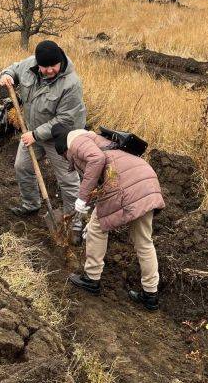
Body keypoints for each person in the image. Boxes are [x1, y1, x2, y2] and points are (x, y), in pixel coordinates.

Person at [56, 127, 165, 311]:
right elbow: (103, 171)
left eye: (64, 157)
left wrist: (81, 198)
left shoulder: (76, 142)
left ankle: (91, 279)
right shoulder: (99, 139)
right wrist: (88, 199)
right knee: (144, 242)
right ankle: (150, 295)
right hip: (146, 180)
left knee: (97, 228)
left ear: (65, 150)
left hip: (125, 186)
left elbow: (97, 160)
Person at [0, 41, 87, 230]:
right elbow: (13, 69)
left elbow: (66, 119)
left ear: (60, 61)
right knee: (22, 166)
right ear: (37, 63)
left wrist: (36, 135)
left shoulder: (71, 84)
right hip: (32, 132)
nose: (48, 71)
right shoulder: (30, 65)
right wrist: (6, 75)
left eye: (52, 67)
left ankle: (75, 223)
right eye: (44, 67)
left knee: (68, 181)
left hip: (60, 139)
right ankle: (31, 204)